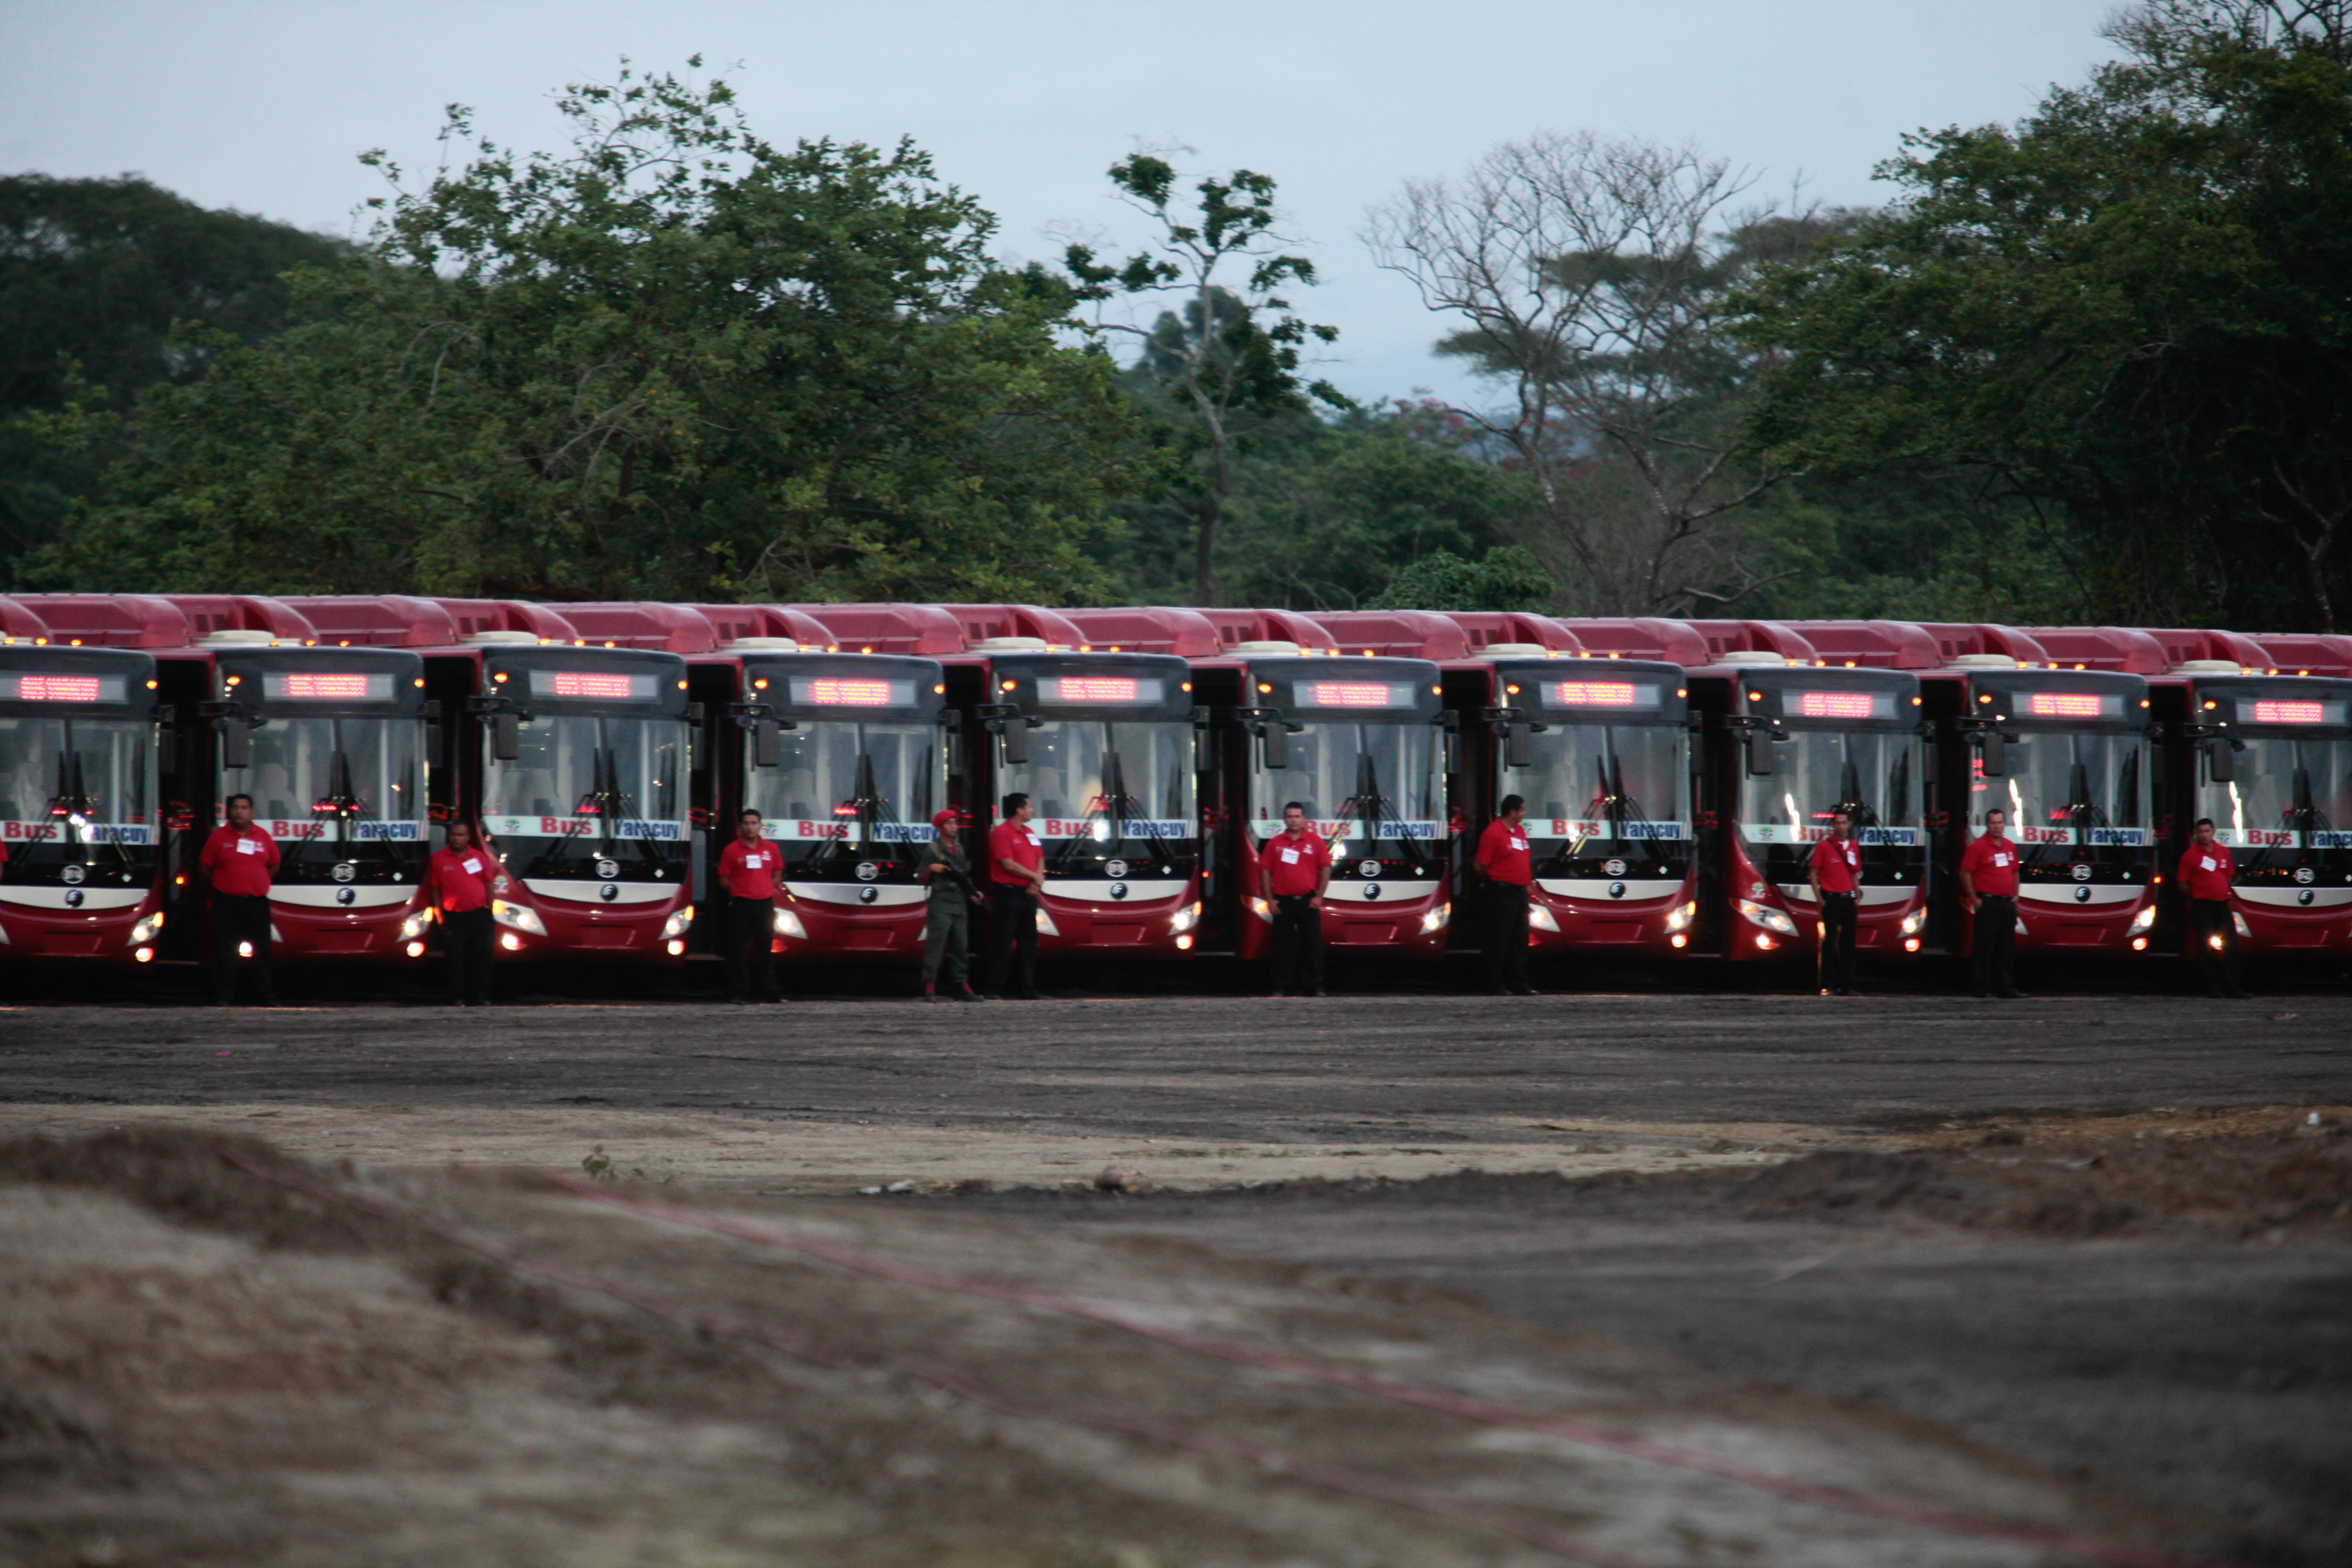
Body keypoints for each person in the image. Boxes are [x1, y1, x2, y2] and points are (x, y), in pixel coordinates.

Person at [198, 793, 280, 1006]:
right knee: (226, 951)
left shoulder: (262, 836)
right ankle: (224, 997)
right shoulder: (219, 837)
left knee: (262, 951)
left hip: (257, 902)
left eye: (244, 808)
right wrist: (222, 883)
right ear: (229, 811)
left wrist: (259, 882)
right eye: (235, 807)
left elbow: (275, 863)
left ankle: (265, 998)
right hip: (227, 902)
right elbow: (205, 867)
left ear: (252, 812)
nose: (239, 811)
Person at [1257, 802, 1331, 996]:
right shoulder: (1275, 843)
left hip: (1308, 901)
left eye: (1297, 816)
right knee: (1282, 947)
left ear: (1304, 819)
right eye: (1290, 816)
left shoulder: (1315, 841)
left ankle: (1315, 985)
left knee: (1313, 946)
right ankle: (1281, 986)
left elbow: (1326, 869)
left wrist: (1319, 896)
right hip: (1283, 902)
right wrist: (1270, 900)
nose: (1293, 820)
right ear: (1284, 819)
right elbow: (1265, 871)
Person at [426, 820, 503, 1007]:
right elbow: (435, 888)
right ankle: (457, 996)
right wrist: (440, 914)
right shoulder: (439, 858)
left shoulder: (478, 857)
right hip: (453, 917)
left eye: (461, 835)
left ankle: (479, 997)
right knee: (455, 958)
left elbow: (488, 884)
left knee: (481, 955)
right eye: (454, 835)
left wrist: (489, 909)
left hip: (479, 914)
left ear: (468, 837)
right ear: (449, 836)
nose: (456, 838)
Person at [917, 807, 986, 1002]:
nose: (954, 827)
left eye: (955, 823)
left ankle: (961, 984)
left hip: (959, 903)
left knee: (960, 947)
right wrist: (931, 868)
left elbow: (964, 876)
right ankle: (929, 986)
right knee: (935, 946)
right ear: (939, 827)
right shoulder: (933, 850)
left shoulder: (960, 849)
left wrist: (973, 892)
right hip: (940, 902)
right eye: (949, 823)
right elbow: (919, 879)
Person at [715, 809, 785, 1003]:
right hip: (741, 904)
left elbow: (778, 873)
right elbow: (723, 879)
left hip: (764, 904)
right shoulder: (731, 850)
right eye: (746, 823)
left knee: (765, 949)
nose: (750, 826)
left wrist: (765, 888)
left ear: (760, 825)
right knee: (737, 950)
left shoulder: (771, 848)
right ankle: (739, 993)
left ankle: (771, 992)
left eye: (754, 823)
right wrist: (740, 890)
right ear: (740, 826)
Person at [1958, 808, 2025, 999]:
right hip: (1987, 902)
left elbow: (2015, 872)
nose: (1997, 827)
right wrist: (1974, 898)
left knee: (2006, 947)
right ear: (1987, 825)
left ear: (2005, 824)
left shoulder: (2010, 846)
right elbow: (1965, 872)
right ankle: (1980, 986)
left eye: (2000, 823)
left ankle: (2006, 987)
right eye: (1993, 823)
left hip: (2006, 903)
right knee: (1985, 946)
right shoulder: (1978, 846)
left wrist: (2016, 895)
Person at [986, 792, 1047, 999]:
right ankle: (995, 988)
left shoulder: (1029, 832)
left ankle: (1028, 988)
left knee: (1029, 942)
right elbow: (1007, 864)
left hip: (1028, 893)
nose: (1031, 810)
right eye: (1028, 807)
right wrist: (1035, 879)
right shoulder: (1002, 833)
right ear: (1019, 810)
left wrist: (1036, 882)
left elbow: (1040, 858)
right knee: (1003, 941)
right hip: (1008, 893)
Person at [1473, 795, 1535, 995]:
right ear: (1512, 812)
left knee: (1520, 940)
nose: (1524, 814)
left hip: (1519, 892)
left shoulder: (1519, 831)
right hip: (1500, 892)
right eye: (1522, 810)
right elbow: (1480, 865)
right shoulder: (1493, 833)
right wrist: (1494, 880)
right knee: (1499, 939)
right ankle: (1495, 983)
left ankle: (1519, 983)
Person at [2180, 817, 2248, 998]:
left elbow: (2228, 876)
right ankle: (2212, 987)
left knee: (2231, 945)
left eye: (2207, 831)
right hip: (2203, 905)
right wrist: (2196, 896)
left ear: (2213, 832)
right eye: (2200, 832)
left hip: (2222, 904)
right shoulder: (2190, 855)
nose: (2204, 835)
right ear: (2197, 834)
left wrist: (2222, 892)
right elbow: (2181, 882)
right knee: (2206, 946)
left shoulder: (2223, 852)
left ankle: (2233, 987)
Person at [1807, 810, 1861, 997]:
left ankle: (1847, 985)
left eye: (1844, 822)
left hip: (1848, 899)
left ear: (1849, 825)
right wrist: (1819, 898)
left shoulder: (1853, 846)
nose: (1841, 826)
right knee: (1828, 943)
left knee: (1848, 944)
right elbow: (1813, 873)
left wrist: (1857, 894)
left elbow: (1854, 872)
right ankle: (1826, 985)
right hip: (1830, 899)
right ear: (1832, 826)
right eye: (1837, 823)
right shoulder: (1823, 846)